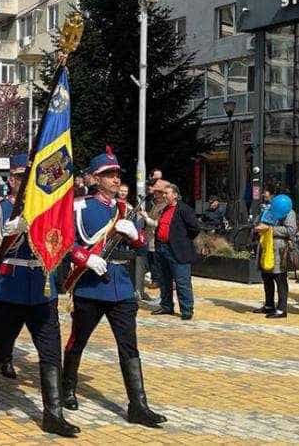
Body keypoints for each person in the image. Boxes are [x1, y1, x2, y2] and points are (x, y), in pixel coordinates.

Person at [0, 153, 79, 437]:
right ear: (12, 180)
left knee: (50, 354)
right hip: (9, 288)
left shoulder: (49, 210)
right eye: (20, 177)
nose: (24, 184)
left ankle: (53, 414)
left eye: (29, 179)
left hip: (43, 289)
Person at [61, 147, 166, 428]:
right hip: (91, 285)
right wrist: (86, 257)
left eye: (116, 174)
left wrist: (135, 236)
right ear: (95, 178)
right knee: (78, 340)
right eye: (108, 174)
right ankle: (67, 387)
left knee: (129, 346)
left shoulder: (128, 210)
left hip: (120, 285)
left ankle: (138, 406)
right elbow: (63, 242)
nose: (114, 179)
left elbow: (143, 246)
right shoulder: (79, 207)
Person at [151, 181, 200, 320]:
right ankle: (166, 306)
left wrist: (182, 241)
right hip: (162, 248)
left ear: (175, 195)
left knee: (182, 281)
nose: (164, 196)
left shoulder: (184, 209)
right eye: (164, 193)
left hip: (178, 251)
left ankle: (186, 310)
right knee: (164, 280)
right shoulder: (164, 209)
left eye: (167, 193)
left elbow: (195, 228)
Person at [252, 193, 295, 319]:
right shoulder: (267, 210)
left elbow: (291, 230)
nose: (264, 195)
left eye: (266, 193)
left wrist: (270, 229)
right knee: (266, 276)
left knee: (280, 277)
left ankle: (282, 308)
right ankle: (269, 304)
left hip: (279, 249)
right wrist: (257, 227)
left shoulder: (289, 212)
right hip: (266, 246)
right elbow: (259, 223)